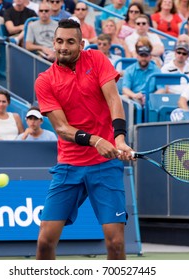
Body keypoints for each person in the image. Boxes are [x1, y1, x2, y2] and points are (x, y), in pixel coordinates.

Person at [34, 19, 133, 260]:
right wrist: (96, 141)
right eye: (59, 41)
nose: (63, 47)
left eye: (70, 41)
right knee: (46, 242)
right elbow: (62, 129)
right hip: (70, 165)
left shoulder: (96, 59)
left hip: (105, 166)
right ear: (53, 43)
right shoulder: (45, 81)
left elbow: (113, 101)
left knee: (116, 243)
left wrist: (119, 139)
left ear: (81, 44)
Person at [122, 38, 164, 105]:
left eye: (146, 56)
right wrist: (134, 95)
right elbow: (125, 89)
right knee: (125, 98)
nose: (143, 58)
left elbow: (161, 89)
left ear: (150, 57)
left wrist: (150, 97)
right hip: (134, 99)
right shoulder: (130, 70)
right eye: (141, 55)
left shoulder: (156, 70)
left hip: (151, 100)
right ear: (137, 56)